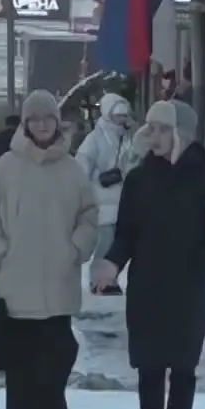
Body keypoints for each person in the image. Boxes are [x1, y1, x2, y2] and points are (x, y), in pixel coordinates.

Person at [92, 99, 205, 409]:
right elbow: (126, 232)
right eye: (150, 128)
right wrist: (111, 263)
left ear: (180, 134)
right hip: (146, 285)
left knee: (184, 363)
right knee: (150, 363)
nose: (152, 136)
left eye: (161, 129)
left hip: (188, 288)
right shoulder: (139, 180)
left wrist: (196, 262)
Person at [0, 89, 99, 409]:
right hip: (16, 282)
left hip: (58, 282)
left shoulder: (72, 169)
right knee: (20, 365)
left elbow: (89, 215)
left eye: (47, 118)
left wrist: (77, 248)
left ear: (56, 123)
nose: (42, 125)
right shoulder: (7, 167)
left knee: (55, 361)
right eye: (35, 119)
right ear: (26, 125)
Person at [73, 92, 140, 296]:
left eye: (123, 116)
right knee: (105, 243)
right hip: (101, 200)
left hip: (121, 199)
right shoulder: (95, 138)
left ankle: (108, 279)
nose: (121, 119)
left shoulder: (127, 138)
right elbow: (82, 164)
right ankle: (98, 280)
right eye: (117, 115)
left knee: (116, 245)